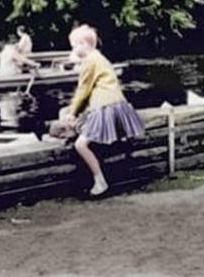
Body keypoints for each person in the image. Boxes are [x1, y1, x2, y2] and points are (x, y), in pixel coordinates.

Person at [61, 24, 145, 196]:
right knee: (85, 130)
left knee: (80, 145)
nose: (73, 50)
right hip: (117, 105)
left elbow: (83, 90)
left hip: (104, 108)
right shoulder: (99, 57)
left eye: (74, 46)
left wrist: (72, 112)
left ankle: (100, 181)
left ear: (83, 44)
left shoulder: (89, 61)